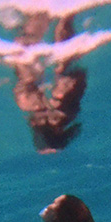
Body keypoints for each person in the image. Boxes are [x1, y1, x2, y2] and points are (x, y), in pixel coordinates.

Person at [13, 13, 87, 153]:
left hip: (55, 98)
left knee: (61, 67)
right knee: (61, 68)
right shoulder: (61, 110)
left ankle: (61, 15)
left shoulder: (63, 112)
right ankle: (61, 16)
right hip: (55, 98)